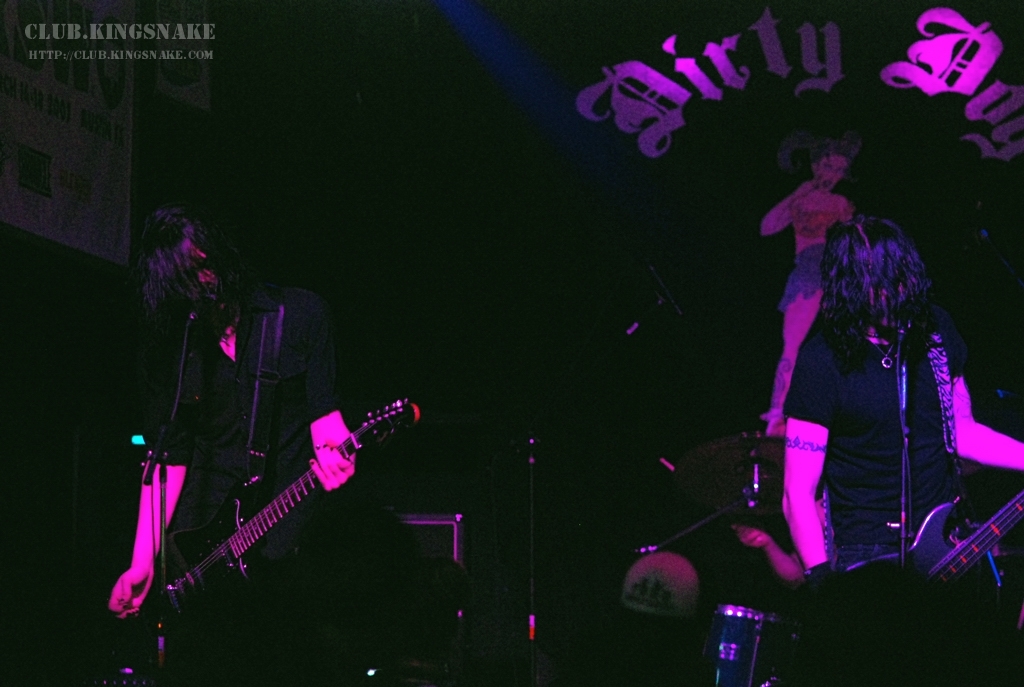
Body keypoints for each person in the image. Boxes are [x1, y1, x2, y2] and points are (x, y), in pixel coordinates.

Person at [108, 204, 357, 619]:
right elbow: (168, 460)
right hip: (202, 549)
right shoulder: (167, 351)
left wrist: (338, 454)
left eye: (205, 262)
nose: (205, 278)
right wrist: (141, 563)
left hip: (290, 537)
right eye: (188, 273)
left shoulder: (299, 315)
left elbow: (326, 421)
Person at [782, 216, 1024, 582]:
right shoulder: (822, 360)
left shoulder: (935, 332)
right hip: (865, 554)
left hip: (946, 540)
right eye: (879, 282)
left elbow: (962, 432)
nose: (894, 291)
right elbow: (797, 495)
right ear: (850, 286)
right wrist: (822, 584)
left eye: (899, 277)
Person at [760, 131, 860, 437]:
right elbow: (767, 227)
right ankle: (777, 414)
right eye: (828, 167)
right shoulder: (801, 199)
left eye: (839, 170)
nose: (833, 175)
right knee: (793, 345)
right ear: (816, 165)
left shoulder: (840, 203)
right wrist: (796, 194)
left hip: (836, 275)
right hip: (807, 275)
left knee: (845, 344)